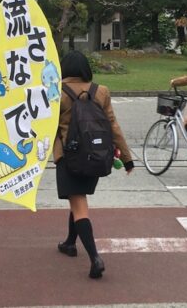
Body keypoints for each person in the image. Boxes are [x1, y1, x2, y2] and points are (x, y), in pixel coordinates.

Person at [54, 51, 134, 279]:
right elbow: (113, 126)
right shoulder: (101, 91)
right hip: (95, 156)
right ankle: (70, 242)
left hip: (69, 158)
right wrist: (127, 158)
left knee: (79, 205)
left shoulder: (57, 93)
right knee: (77, 197)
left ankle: (95, 258)